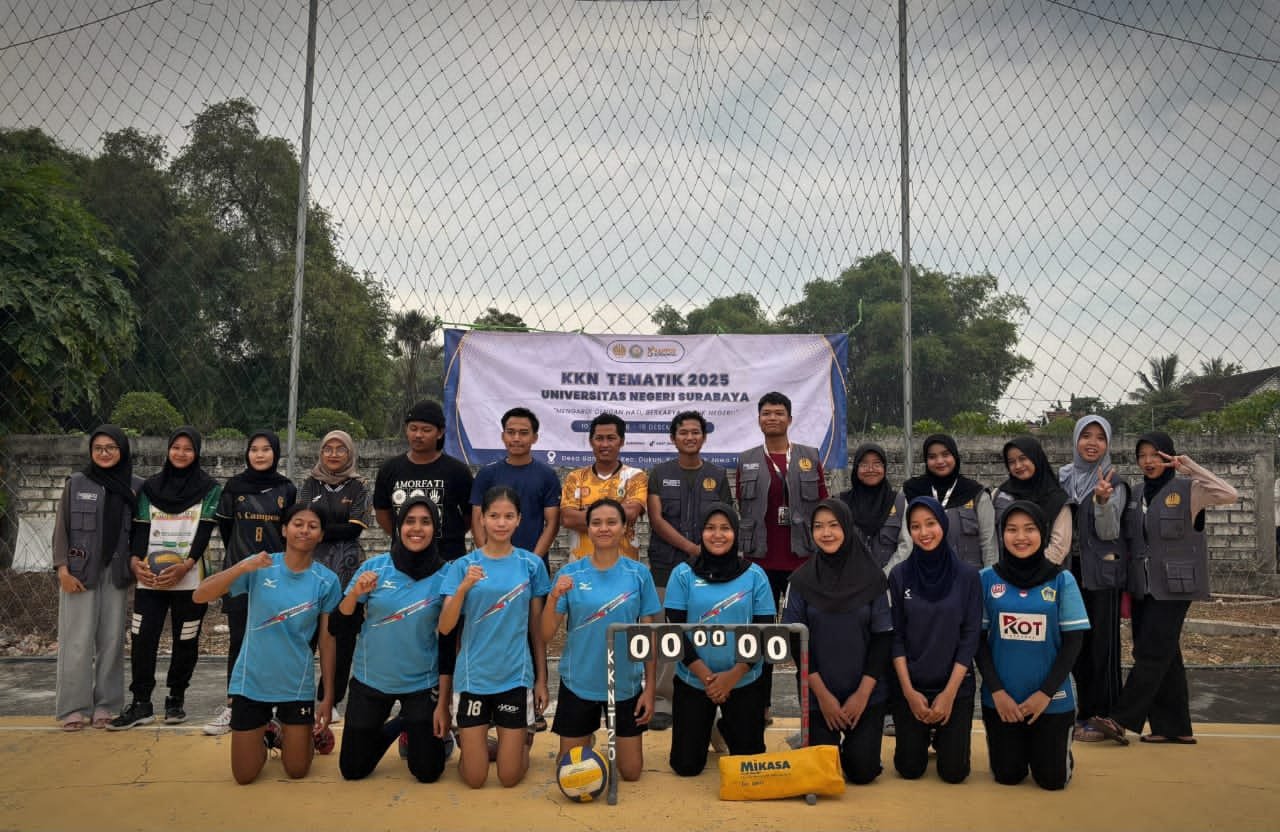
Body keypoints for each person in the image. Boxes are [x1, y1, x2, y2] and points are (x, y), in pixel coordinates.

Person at [1085, 433, 1237, 746]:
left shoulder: (1191, 490)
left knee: (1152, 652)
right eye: (1142, 456)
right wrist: (1102, 501)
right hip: (1142, 587)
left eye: (1155, 455)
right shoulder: (1136, 493)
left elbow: (1229, 494)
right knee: (1166, 654)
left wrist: (1190, 467)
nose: (1148, 461)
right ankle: (1175, 727)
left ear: (1168, 457)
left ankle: (1120, 719)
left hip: (1175, 587)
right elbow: (1117, 534)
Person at [192, 504, 341, 785]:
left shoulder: (327, 580)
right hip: (252, 680)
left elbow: (327, 640)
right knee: (244, 776)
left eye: (313, 526)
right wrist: (242, 567)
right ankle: (267, 733)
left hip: (295, 682)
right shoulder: (260, 565)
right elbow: (200, 595)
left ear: (321, 535)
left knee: (296, 770)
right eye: (298, 524)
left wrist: (328, 696)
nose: (304, 530)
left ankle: (288, 734)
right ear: (284, 529)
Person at [332, 495, 455, 783]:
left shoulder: (447, 574)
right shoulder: (375, 568)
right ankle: (402, 723)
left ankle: (416, 721)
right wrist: (355, 594)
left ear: (435, 528)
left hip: (422, 684)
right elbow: (338, 626)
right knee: (353, 770)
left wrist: (443, 702)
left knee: (428, 772)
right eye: (410, 521)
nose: (417, 528)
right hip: (372, 680)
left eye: (425, 522)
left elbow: (449, 642)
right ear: (399, 526)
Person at [109, 426, 221, 730]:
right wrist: (135, 562)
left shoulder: (210, 488)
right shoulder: (149, 488)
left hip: (190, 577)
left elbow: (204, 532)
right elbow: (141, 528)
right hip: (150, 578)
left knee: (186, 638)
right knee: (143, 637)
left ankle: (176, 699)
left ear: (197, 452)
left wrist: (185, 565)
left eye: (188, 448)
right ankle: (141, 702)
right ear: (168, 449)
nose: (181, 453)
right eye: (176, 447)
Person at [438, 486, 551, 788]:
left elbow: (536, 628)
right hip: (473, 677)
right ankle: (481, 745)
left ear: (519, 520)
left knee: (509, 777)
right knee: (475, 779)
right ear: (482, 519)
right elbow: (445, 627)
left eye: (508, 516)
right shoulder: (462, 566)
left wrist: (541, 679)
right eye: (494, 516)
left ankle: (518, 742)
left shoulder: (531, 565)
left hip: (515, 676)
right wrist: (463, 587)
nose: (501, 523)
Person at [541, 499, 661, 780]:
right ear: (588, 529)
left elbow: (648, 636)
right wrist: (553, 597)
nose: (603, 528)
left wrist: (649, 689)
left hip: (625, 684)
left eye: (611, 522)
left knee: (631, 773)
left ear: (624, 528)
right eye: (596, 523)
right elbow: (545, 634)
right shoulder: (569, 574)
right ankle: (586, 736)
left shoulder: (639, 574)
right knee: (570, 773)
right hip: (579, 682)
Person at [977, 501, 1088, 790]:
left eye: (1029, 529)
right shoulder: (986, 580)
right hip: (1002, 701)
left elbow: (1073, 643)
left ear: (1043, 533)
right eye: (1012, 530)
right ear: (1002, 534)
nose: (1020, 537)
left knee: (1052, 781)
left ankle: (1056, 749)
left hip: (1051, 699)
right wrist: (997, 692)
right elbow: (978, 642)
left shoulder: (1062, 580)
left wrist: (1044, 694)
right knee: (1008, 776)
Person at [784, 499, 892, 784]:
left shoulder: (874, 579)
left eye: (833, 525)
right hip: (818, 694)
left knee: (862, 772)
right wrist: (823, 697)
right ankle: (814, 740)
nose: (826, 533)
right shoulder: (800, 581)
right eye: (818, 526)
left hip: (865, 693)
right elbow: (796, 641)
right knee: (823, 773)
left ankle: (858, 748)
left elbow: (883, 639)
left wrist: (862, 695)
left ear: (846, 527)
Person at [665, 503, 776, 776]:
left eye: (725, 528)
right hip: (694, 680)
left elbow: (764, 631)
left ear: (735, 533)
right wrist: (708, 678)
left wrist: (733, 676)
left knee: (749, 765)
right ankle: (708, 722)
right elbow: (674, 632)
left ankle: (725, 725)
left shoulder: (755, 575)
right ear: (700, 533)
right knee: (686, 767)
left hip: (743, 679)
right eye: (710, 528)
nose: (717, 535)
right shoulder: (682, 574)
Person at [735, 391, 827, 718]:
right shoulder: (746, 459)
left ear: (790, 419)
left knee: (801, 637)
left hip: (802, 561)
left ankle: (810, 708)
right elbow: (743, 508)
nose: (772, 418)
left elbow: (823, 506)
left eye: (778, 413)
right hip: (759, 563)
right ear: (759, 420)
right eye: (766, 413)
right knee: (761, 636)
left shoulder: (809, 457)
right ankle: (760, 707)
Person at [204, 430, 297, 736]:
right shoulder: (234, 487)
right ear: (247, 453)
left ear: (276, 453)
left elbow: (290, 532)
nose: (259, 454)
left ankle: (276, 708)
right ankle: (235, 705)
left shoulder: (286, 488)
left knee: (275, 639)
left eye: (266, 449)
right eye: (254, 449)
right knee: (240, 639)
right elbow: (227, 529)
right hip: (240, 574)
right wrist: (242, 559)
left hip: (275, 576)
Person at [645, 410, 732, 731]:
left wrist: (707, 552)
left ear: (704, 437)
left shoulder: (717, 475)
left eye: (696, 432)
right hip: (666, 566)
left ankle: (712, 695)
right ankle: (663, 700)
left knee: (705, 630)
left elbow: (725, 519)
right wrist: (693, 548)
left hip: (708, 570)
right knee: (667, 632)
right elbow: (657, 520)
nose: (690, 437)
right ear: (673, 438)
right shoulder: (659, 473)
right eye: (683, 433)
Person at [887, 497, 982, 783]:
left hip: (954, 685)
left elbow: (970, 638)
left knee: (954, 773)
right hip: (912, 685)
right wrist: (908, 692)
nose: (924, 532)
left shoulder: (967, 576)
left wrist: (949, 694)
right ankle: (920, 734)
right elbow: (896, 637)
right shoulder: (899, 575)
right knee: (909, 770)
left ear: (943, 524)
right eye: (915, 526)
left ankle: (943, 736)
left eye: (930, 523)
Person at [53, 426, 141, 731]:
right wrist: (62, 570)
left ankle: (107, 704)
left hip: (117, 574)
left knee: (112, 641)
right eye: (98, 448)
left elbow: (141, 532)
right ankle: (73, 708)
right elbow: (61, 529)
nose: (104, 453)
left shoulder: (135, 486)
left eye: (111, 447)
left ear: (123, 450)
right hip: (79, 574)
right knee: (76, 641)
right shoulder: (77, 483)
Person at [1058, 416, 1132, 742]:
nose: (1092, 443)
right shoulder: (1063, 479)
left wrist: (1102, 501)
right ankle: (1084, 713)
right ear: (1075, 440)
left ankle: (1106, 715)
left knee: (1104, 646)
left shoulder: (1115, 482)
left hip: (1102, 576)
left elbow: (1109, 531)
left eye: (1100, 438)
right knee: (1077, 644)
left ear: (1108, 444)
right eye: (1086, 435)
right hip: (1069, 574)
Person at [298, 430, 374, 719]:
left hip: (346, 568)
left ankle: (329, 698)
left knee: (342, 636)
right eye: (327, 448)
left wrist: (316, 530)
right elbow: (303, 519)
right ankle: (298, 696)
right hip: (311, 566)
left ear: (349, 453)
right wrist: (316, 529)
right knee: (305, 632)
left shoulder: (359, 485)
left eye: (340, 449)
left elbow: (354, 528)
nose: (333, 454)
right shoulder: (310, 482)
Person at [374, 400, 473, 560]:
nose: (418, 435)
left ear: (440, 433)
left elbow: (470, 516)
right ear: (406, 430)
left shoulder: (457, 471)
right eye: (413, 428)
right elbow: (382, 514)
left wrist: (450, 535)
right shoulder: (389, 469)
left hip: (448, 559)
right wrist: (409, 536)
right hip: (404, 559)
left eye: (426, 430)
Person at [470, 407, 561, 567]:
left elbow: (552, 523)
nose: (516, 438)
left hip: (534, 565)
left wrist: (532, 562)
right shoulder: (486, 474)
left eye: (524, 433)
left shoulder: (547, 475)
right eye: (511, 432)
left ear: (535, 437)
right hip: (492, 564)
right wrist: (487, 558)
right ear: (503, 436)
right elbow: (477, 519)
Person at [897, 434, 996, 569]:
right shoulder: (910, 491)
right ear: (926, 460)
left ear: (955, 456)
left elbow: (989, 544)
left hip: (968, 577)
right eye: (932, 457)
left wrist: (989, 579)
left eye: (945, 454)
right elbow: (904, 543)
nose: (940, 461)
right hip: (922, 575)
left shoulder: (976, 493)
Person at [560, 413, 647, 560]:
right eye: (599, 438)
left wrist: (585, 514)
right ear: (591, 441)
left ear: (622, 441)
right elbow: (568, 519)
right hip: (581, 563)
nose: (605, 444)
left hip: (625, 563)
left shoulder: (635, 476)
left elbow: (631, 513)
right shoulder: (575, 478)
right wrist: (617, 517)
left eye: (611, 438)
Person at [991, 436, 1072, 566]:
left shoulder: (1057, 500)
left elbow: (1059, 548)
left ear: (1036, 458)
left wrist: (1028, 572)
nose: (1018, 466)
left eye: (1023, 458)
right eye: (1011, 462)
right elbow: (991, 538)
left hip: (1045, 574)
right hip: (1005, 573)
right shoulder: (999, 495)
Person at [839, 442, 905, 572]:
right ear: (856, 468)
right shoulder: (841, 502)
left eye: (877, 464)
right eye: (864, 464)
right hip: (850, 577)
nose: (870, 469)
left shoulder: (899, 502)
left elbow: (906, 545)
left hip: (889, 579)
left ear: (884, 468)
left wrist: (885, 575)